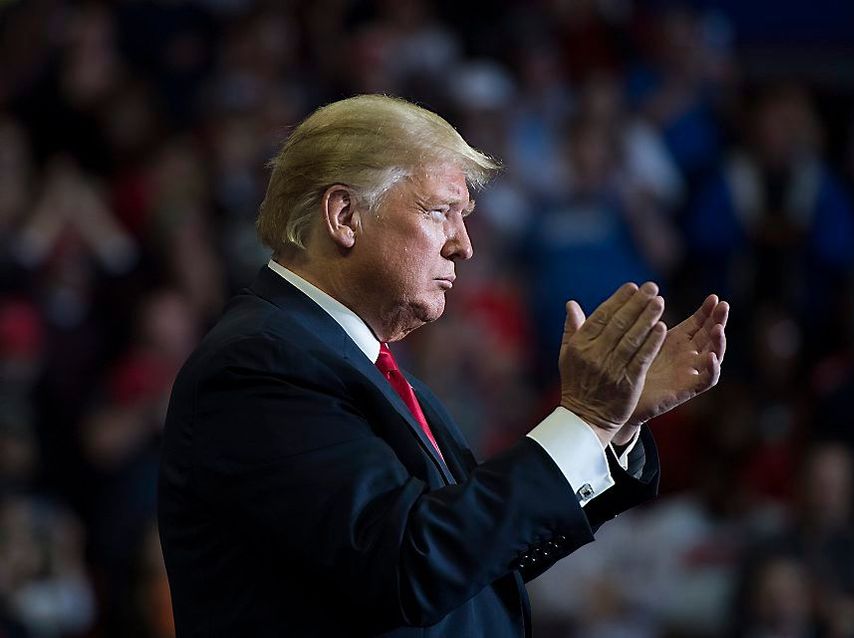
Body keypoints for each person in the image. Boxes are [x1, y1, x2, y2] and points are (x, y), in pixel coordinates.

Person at [157, 94, 729, 637]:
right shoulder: (260, 366)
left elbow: (476, 551)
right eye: (440, 213)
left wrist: (611, 426)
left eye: (466, 217)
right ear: (344, 215)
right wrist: (583, 419)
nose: (465, 246)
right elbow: (412, 562)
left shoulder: (362, 366)